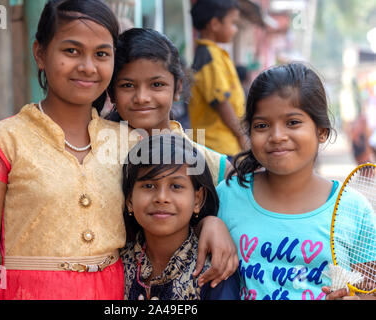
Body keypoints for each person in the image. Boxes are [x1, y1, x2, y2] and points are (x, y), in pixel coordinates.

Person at [0, 0, 233, 300]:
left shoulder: (132, 144)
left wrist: (211, 221)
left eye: (101, 54)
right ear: (40, 53)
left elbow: (173, 203)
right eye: (71, 51)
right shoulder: (4, 141)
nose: (87, 66)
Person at [216, 62, 374, 300]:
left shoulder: (353, 208)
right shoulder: (228, 195)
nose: (277, 136)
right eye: (262, 125)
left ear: (322, 131)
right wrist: (209, 224)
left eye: (292, 122)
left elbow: (369, 290)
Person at [106, 27, 238, 287]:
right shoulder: (96, 154)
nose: (142, 97)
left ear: (178, 87)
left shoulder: (213, 165)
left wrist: (211, 222)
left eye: (157, 85)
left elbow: (233, 236)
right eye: (127, 85)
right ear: (111, 92)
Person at [121, 133, 240, 300]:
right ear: (130, 200)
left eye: (176, 186)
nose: (161, 197)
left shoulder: (215, 269)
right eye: (148, 185)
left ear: (197, 199)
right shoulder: (117, 264)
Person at [188, 0, 248, 159]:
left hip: (223, 143)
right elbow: (221, 102)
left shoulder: (215, 54)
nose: (235, 29)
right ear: (214, 24)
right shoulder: (209, 56)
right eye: (233, 23)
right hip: (216, 145)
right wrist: (242, 135)